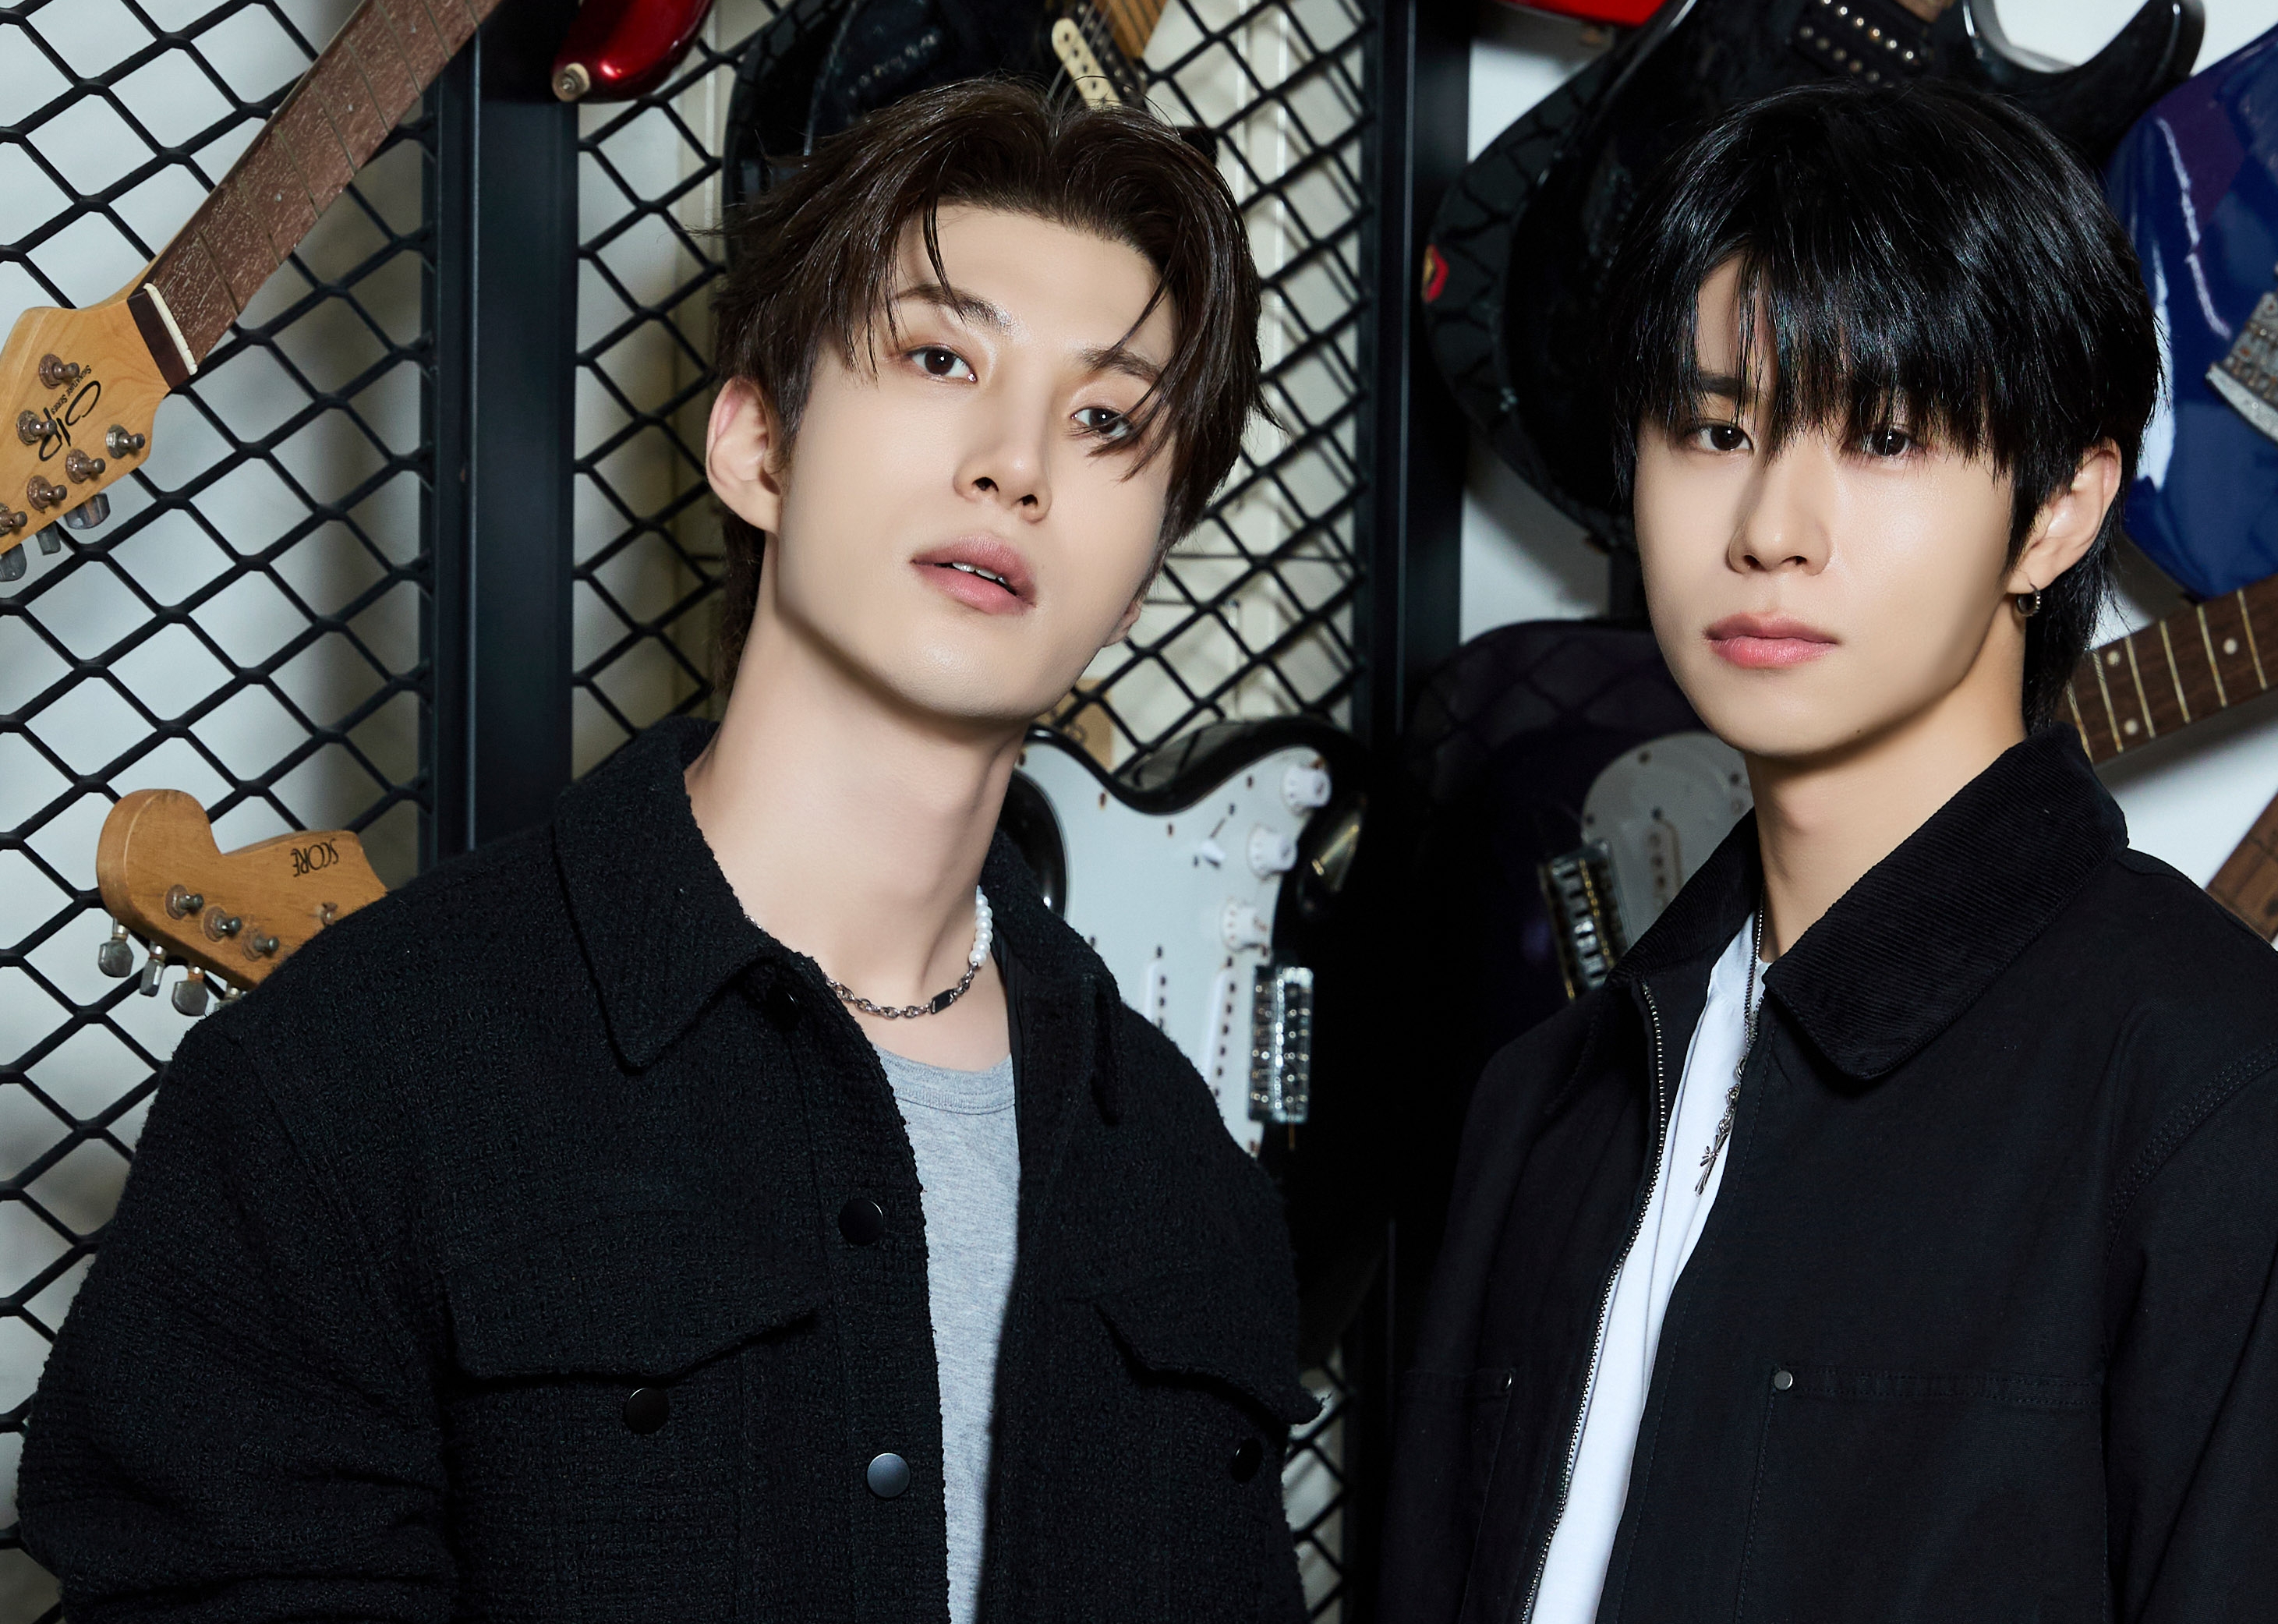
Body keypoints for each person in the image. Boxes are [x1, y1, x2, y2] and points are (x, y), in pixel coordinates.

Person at [20, 79, 1319, 1622]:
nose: (1016, 463)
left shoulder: (1185, 1182)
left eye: (1106, 421)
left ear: (1142, 570)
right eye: (938, 357)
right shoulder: (355, 1079)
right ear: (755, 445)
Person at [1381, 83, 2278, 1623]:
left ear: (2056, 511)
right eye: (1713, 429)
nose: (1769, 526)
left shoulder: (2240, 1099)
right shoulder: (1543, 1102)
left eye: (1882, 436)